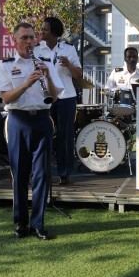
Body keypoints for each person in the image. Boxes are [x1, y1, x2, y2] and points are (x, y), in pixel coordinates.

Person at [0, 22, 63, 241]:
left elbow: (55, 95)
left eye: (32, 37)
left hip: (42, 119)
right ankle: (21, 222)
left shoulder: (45, 63)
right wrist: (26, 83)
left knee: (43, 174)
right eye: (24, 38)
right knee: (20, 175)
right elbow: (5, 98)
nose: (29, 41)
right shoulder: (5, 66)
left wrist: (47, 77)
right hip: (18, 121)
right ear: (15, 41)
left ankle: (38, 224)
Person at [34, 17, 82, 185]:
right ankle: (41, 172)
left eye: (45, 29)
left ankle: (64, 173)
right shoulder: (36, 50)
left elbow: (78, 74)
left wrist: (69, 65)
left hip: (66, 97)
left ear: (54, 31)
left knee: (65, 136)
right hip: (45, 97)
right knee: (42, 135)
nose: (41, 32)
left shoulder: (69, 49)